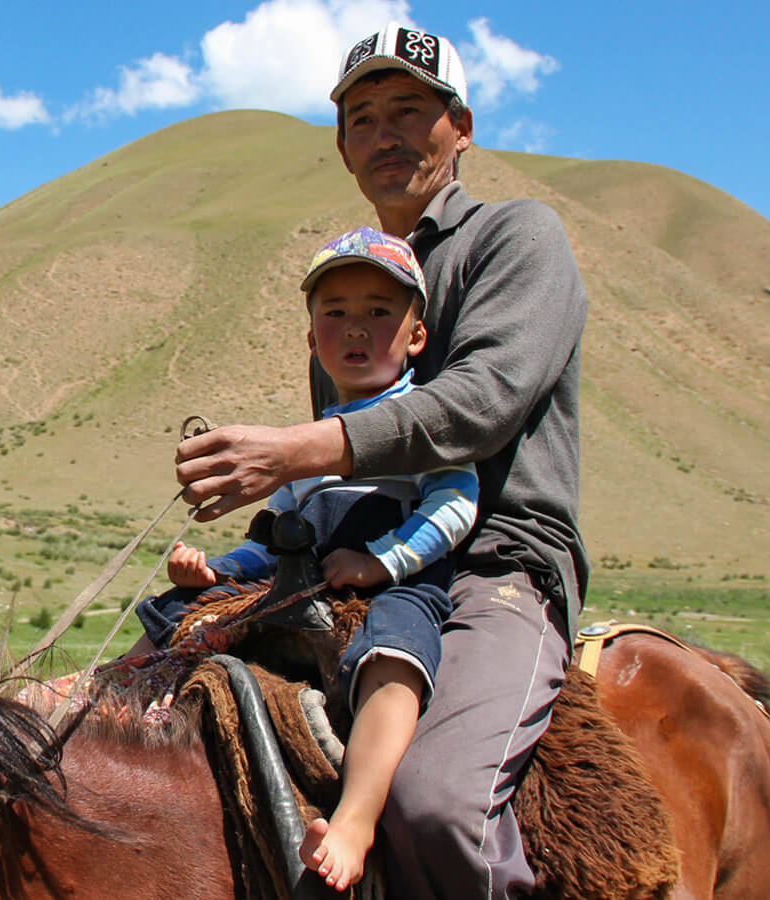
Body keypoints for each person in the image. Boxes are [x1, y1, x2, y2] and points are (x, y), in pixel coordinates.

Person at [173, 23, 588, 899]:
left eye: (409, 109)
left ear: (461, 125)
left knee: (439, 803)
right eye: (363, 118)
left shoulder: (518, 238)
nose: (385, 134)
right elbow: (341, 470)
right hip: (352, 559)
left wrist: (294, 448)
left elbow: (485, 402)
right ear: (342, 146)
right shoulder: (353, 284)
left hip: (493, 562)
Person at [136, 226, 477, 891]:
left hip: (396, 585)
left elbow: (456, 503)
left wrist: (384, 562)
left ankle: (357, 814)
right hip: (304, 578)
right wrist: (216, 572)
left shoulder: (426, 416)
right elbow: (272, 540)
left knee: (393, 652)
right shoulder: (308, 442)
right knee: (181, 612)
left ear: (415, 336)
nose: (356, 328)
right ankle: (119, 711)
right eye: (336, 313)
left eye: (380, 312)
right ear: (312, 336)